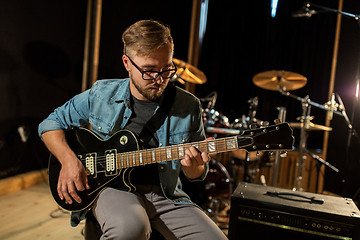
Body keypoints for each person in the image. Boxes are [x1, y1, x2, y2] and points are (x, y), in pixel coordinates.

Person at [38, 20, 227, 240]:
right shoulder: (102, 94)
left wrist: (193, 166)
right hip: (112, 189)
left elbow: (195, 173)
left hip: (165, 194)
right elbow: (50, 124)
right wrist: (69, 161)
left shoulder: (189, 106)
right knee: (132, 228)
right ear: (127, 63)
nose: (159, 79)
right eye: (149, 71)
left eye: (166, 69)